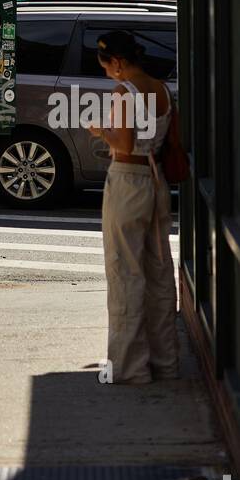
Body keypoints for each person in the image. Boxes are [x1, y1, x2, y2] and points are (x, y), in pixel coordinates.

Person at [86, 28, 179, 384]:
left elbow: (123, 145)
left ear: (120, 62)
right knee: (158, 270)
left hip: (128, 179)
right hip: (157, 183)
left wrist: (100, 131)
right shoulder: (162, 90)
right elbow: (175, 139)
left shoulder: (126, 91)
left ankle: (131, 368)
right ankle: (165, 363)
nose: (108, 74)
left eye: (107, 67)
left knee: (125, 272)